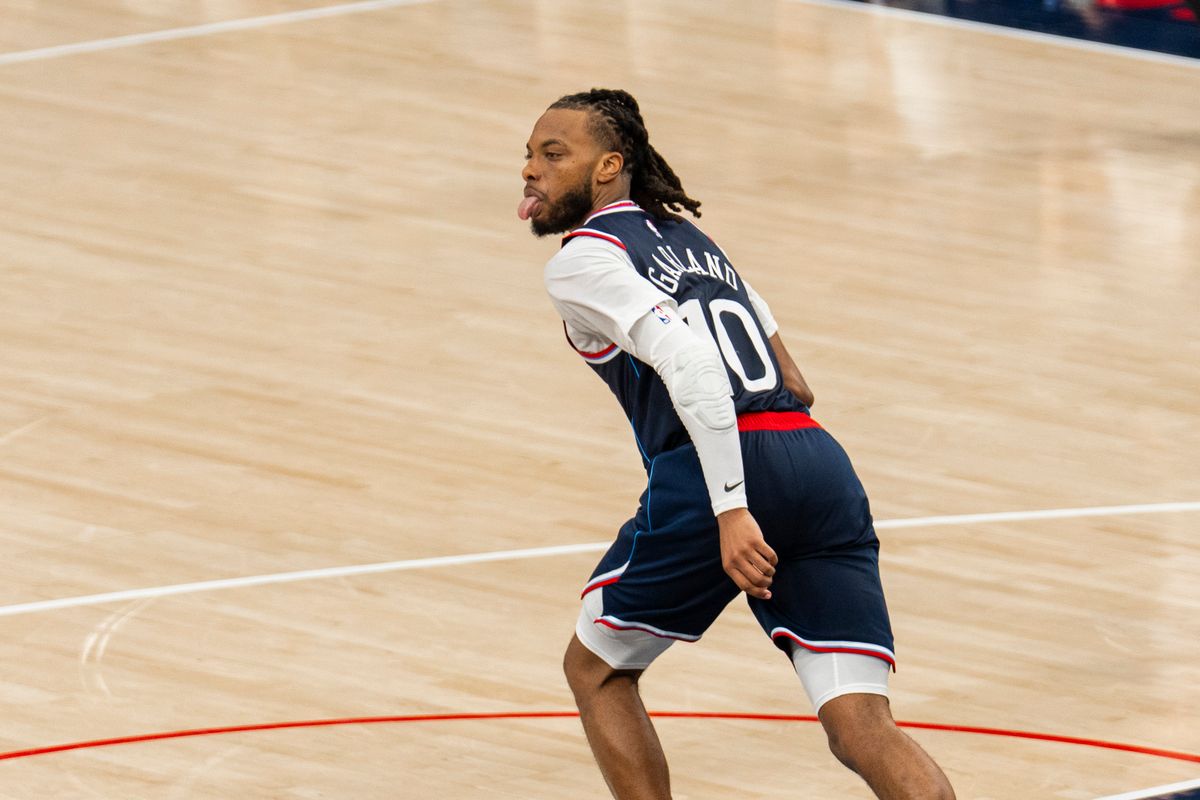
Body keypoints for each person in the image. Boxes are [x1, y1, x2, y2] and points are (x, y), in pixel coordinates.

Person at [520, 88, 955, 800]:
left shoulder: (584, 260)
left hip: (718, 468)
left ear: (609, 168)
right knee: (860, 722)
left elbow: (693, 367)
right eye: (530, 156)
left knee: (595, 669)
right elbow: (792, 373)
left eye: (553, 154)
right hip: (815, 458)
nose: (531, 171)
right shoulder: (692, 241)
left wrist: (730, 507)